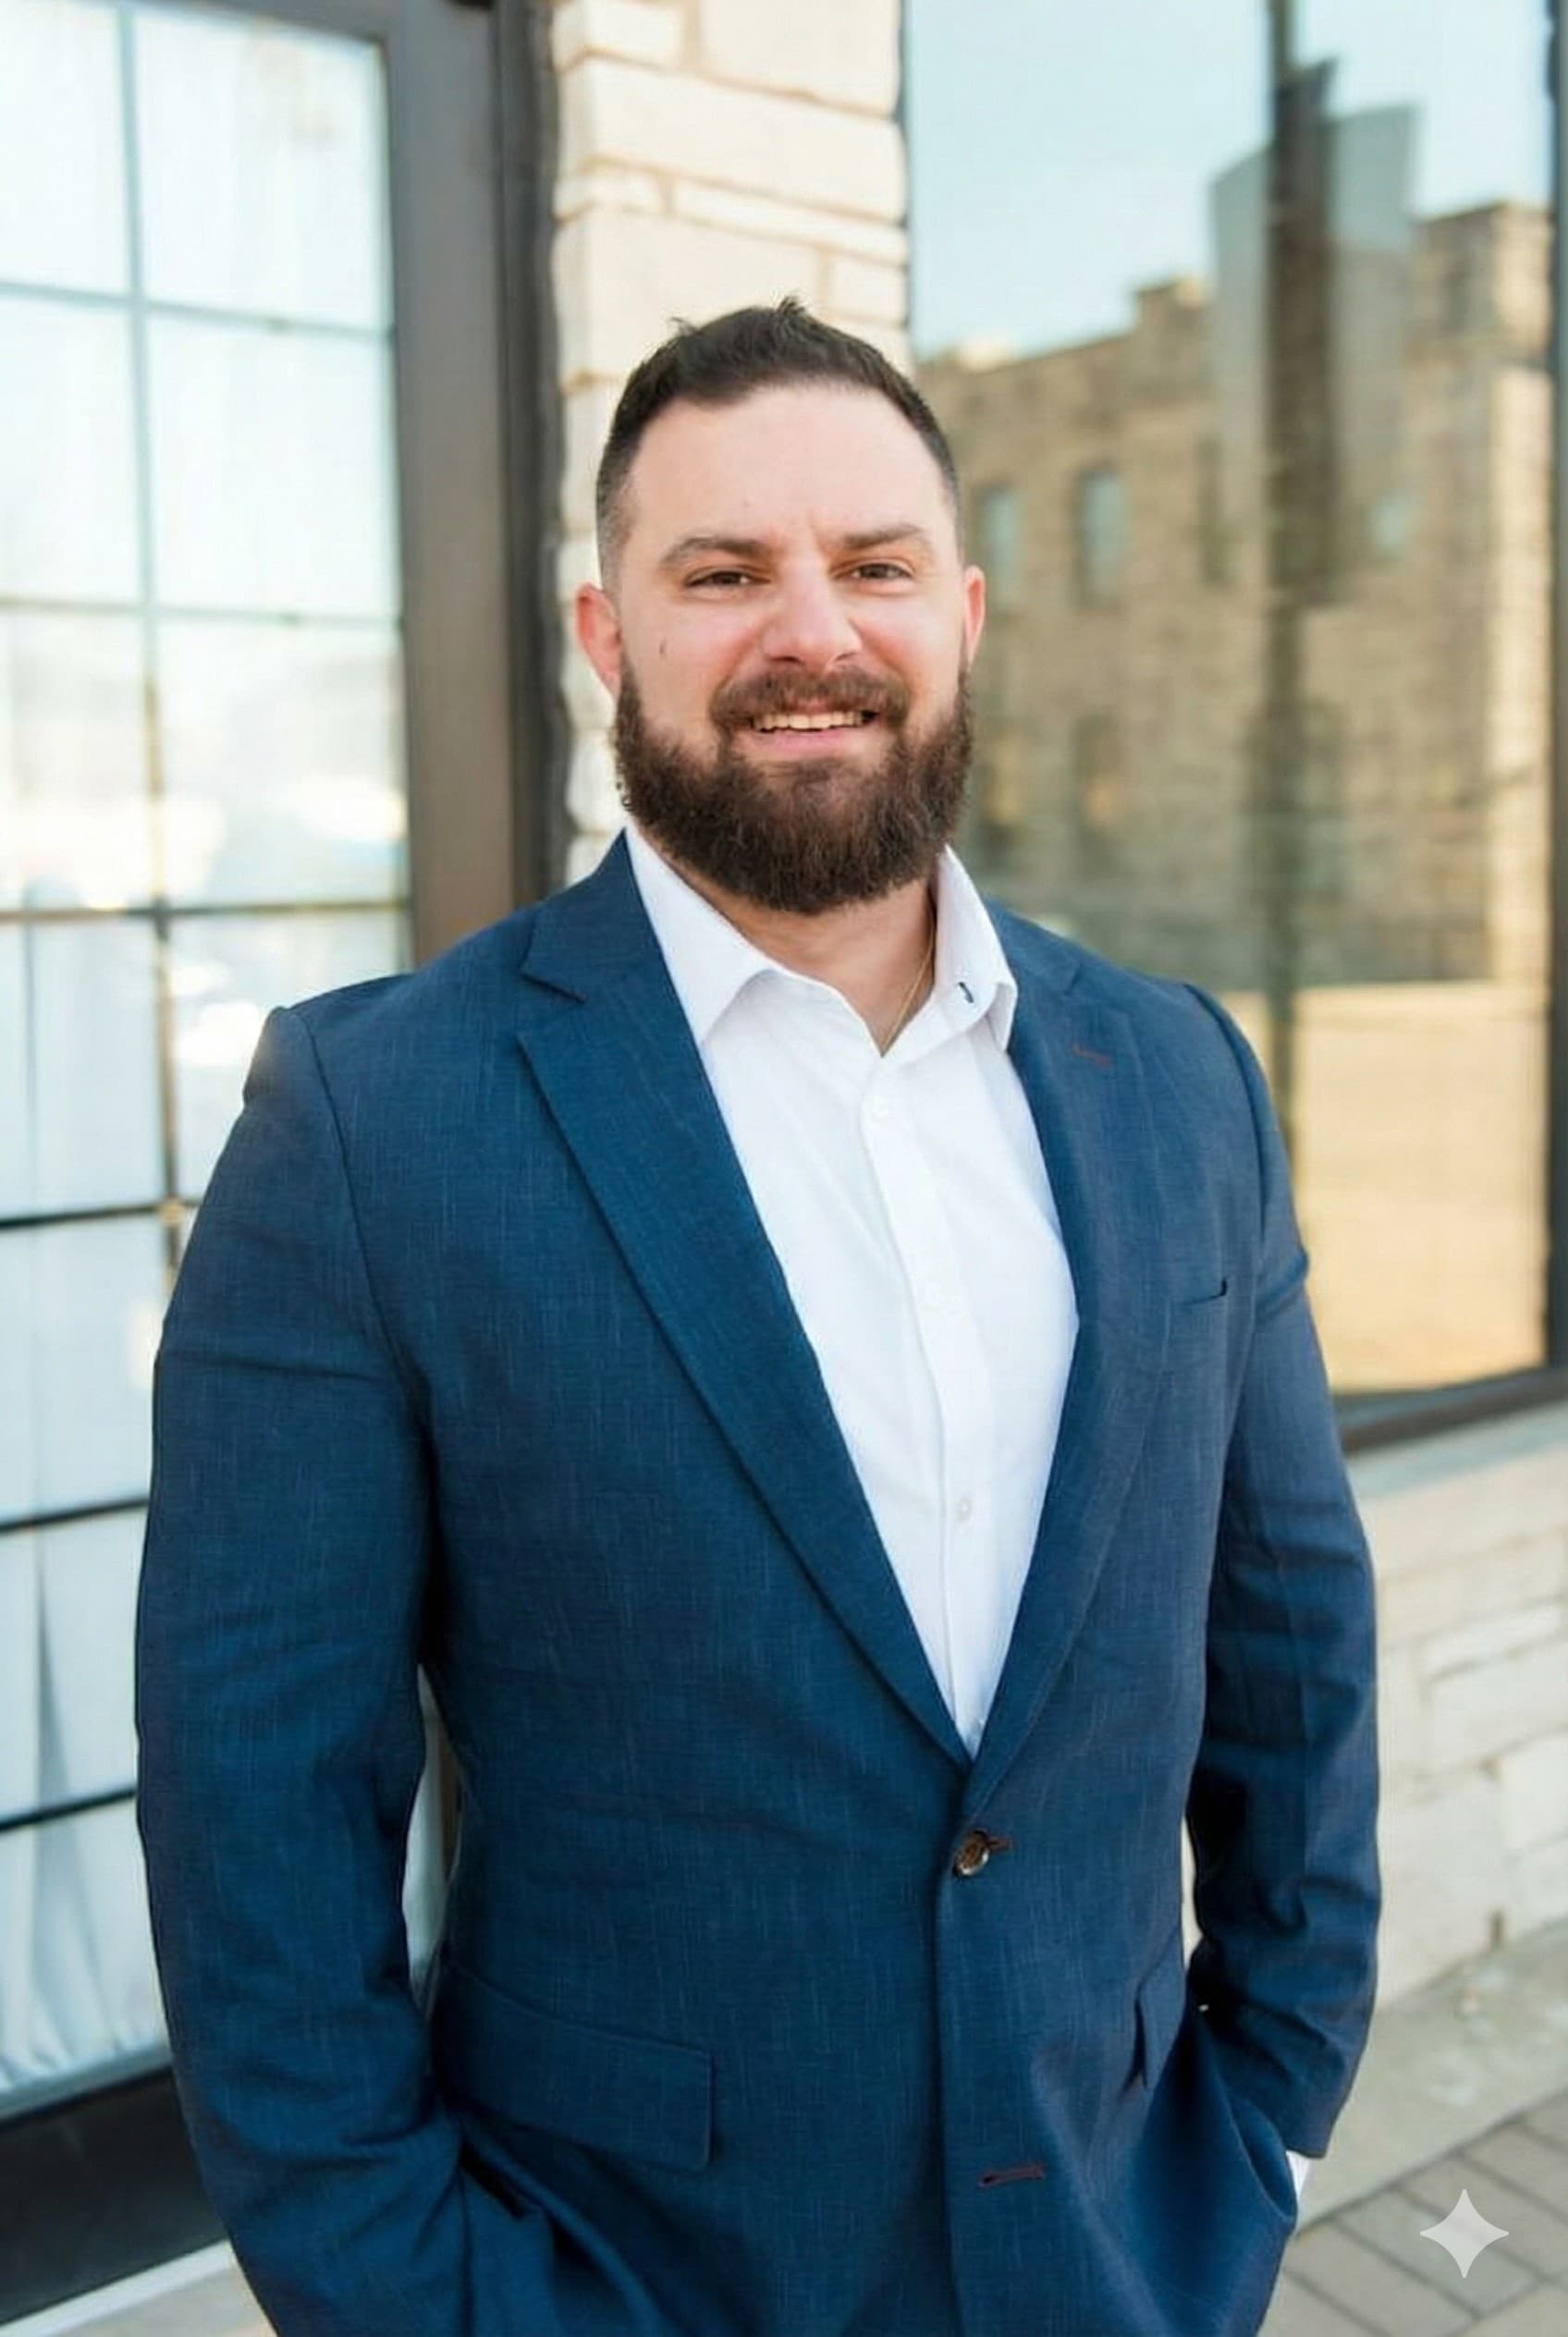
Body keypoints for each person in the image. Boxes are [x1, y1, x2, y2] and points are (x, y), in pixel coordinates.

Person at [136, 300, 1379, 2337]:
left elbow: (1290, 1642)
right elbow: (254, 1802)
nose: (812, 629)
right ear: (604, 635)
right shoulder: (376, 1125)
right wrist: (414, 2296)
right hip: (616, 2277)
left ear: (961, 612)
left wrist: (1270, 2111)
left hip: (1124, 2247)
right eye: (721, 574)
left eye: (871, 565)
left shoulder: (1175, 1077)